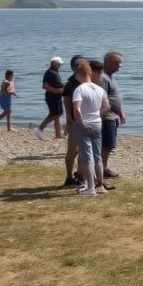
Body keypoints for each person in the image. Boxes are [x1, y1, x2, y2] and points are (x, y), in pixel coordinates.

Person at [72, 59, 110, 197]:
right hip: (97, 123)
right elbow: (107, 106)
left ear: (79, 73)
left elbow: (77, 110)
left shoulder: (79, 90)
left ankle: (90, 188)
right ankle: (99, 185)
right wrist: (97, 115)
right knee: (97, 155)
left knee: (87, 156)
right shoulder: (99, 89)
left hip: (85, 123)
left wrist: (81, 123)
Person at [99, 51, 125, 179]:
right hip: (106, 117)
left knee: (109, 146)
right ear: (109, 62)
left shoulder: (110, 76)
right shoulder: (102, 77)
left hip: (113, 116)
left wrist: (120, 112)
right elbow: (102, 98)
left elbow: (113, 96)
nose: (121, 65)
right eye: (118, 62)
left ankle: (104, 167)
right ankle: (101, 170)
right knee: (106, 145)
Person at [60, 55, 85, 187]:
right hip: (75, 122)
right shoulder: (71, 84)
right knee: (73, 151)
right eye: (78, 64)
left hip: (89, 121)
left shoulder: (88, 81)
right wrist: (69, 122)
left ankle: (81, 175)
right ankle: (69, 177)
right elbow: (67, 104)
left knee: (85, 150)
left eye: (84, 63)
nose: (82, 66)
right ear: (73, 67)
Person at [34, 57, 65, 140]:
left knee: (54, 114)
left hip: (52, 96)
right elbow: (45, 86)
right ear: (54, 64)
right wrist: (57, 90)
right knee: (56, 115)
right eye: (59, 64)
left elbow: (46, 86)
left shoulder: (50, 72)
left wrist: (59, 89)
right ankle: (56, 134)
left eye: (60, 64)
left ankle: (56, 133)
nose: (60, 66)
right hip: (53, 96)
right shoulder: (52, 73)